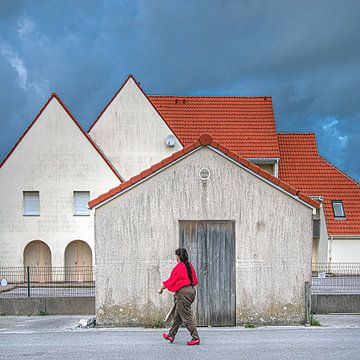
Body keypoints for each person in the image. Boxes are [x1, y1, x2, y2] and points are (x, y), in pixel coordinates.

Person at [158, 248, 200, 346]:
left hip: (183, 293)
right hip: (191, 291)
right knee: (177, 316)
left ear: (178, 256)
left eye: (176, 255)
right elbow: (195, 280)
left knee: (186, 317)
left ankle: (195, 337)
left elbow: (171, 281)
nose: (175, 257)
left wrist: (160, 289)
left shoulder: (179, 267)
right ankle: (171, 335)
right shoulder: (190, 266)